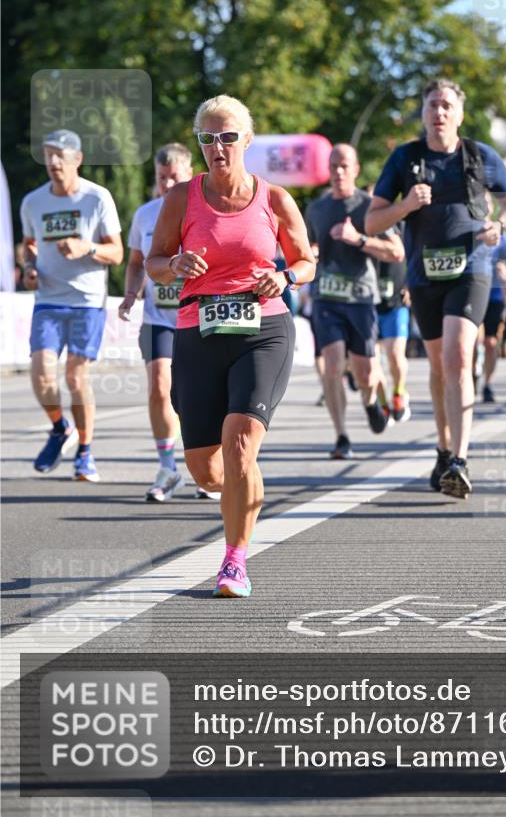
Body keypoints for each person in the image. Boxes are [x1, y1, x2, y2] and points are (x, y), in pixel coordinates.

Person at [146, 95, 315, 598]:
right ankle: (243, 485)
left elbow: (306, 261)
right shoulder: (182, 198)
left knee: (239, 441)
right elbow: (155, 260)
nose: (217, 147)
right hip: (198, 331)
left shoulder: (275, 199)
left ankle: (234, 562)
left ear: (247, 140)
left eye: (227, 137)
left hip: (263, 329)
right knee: (207, 470)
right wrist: (174, 266)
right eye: (207, 138)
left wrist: (284, 277)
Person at [366, 79, 506, 498]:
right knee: (438, 367)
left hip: (473, 268)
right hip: (424, 275)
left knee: (457, 357)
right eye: (432, 104)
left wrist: (501, 224)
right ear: (423, 113)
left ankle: (460, 460)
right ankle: (442, 447)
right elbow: (372, 222)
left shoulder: (480, 156)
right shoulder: (405, 158)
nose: (439, 112)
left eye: (447, 105)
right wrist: (406, 205)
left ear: (460, 114)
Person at [20, 129, 123, 481]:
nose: (52, 161)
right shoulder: (33, 202)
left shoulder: (97, 198)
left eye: (60, 155)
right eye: (48, 154)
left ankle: (85, 452)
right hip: (48, 299)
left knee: (75, 377)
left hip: (87, 301)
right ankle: (59, 427)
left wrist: (87, 248)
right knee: (41, 373)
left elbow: (117, 253)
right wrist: (29, 268)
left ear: (77, 159)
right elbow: (29, 245)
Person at [119, 143, 215, 501]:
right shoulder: (145, 215)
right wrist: (131, 293)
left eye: (175, 177)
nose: (168, 184)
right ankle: (168, 468)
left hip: (200, 316)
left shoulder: (208, 208)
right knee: (160, 386)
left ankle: (209, 467)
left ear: (190, 173)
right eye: (162, 178)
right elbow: (136, 262)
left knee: (201, 393)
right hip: (158, 317)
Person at [305, 144, 405, 459]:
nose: (338, 172)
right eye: (333, 166)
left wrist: (358, 239)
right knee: (332, 365)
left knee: (366, 373)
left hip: (361, 298)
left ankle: (371, 401)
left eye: (344, 166)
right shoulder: (316, 209)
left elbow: (397, 252)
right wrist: (310, 254)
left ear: (356, 170)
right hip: (326, 297)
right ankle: (342, 436)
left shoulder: (369, 206)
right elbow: (306, 247)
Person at [481, 220, 506, 403]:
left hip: (494, 296)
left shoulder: (502, 236)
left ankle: (487, 383)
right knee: (468, 340)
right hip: (468, 292)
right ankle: (469, 373)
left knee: (490, 342)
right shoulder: (466, 226)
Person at [376, 246, 412, 422]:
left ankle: (399, 393)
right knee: (372, 364)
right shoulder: (360, 230)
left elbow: (416, 251)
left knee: (395, 355)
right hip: (368, 303)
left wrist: (411, 283)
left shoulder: (401, 230)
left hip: (397, 303)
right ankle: (383, 404)